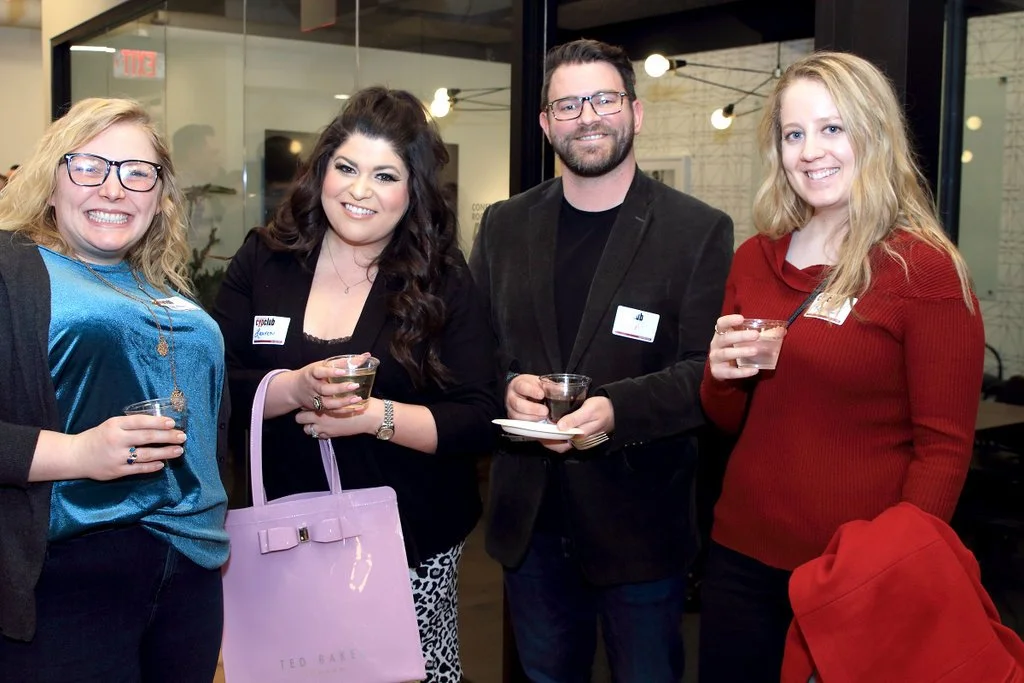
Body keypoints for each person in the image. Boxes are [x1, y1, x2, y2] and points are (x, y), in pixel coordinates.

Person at [698, 51, 985, 682]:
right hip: (739, 557)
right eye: (793, 134)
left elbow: (943, 450)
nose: (810, 152)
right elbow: (727, 419)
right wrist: (720, 374)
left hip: (854, 574)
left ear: (874, 134)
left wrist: (892, 569)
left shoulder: (923, 270)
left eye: (833, 128)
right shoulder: (754, 259)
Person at [212, 86, 500, 683]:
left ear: (413, 192)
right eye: (346, 168)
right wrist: (291, 390)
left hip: (407, 547)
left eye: (385, 175)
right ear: (322, 171)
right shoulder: (265, 259)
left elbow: (478, 417)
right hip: (281, 544)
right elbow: (213, 383)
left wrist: (372, 417)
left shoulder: (440, 278)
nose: (359, 190)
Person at [469, 38, 734, 682]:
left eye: (604, 100)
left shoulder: (697, 230)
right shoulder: (503, 225)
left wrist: (615, 408)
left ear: (635, 112)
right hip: (531, 522)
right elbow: (471, 350)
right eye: (568, 105)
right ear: (545, 124)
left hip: (640, 524)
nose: (587, 117)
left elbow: (705, 371)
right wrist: (507, 387)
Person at [0, 98, 229, 682]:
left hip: (192, 569)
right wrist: (77, 453)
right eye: (88, 167)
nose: (113, 188)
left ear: (159, 195)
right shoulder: (11, 270)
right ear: (51, 182)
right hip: (68, 574)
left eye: (136, 173)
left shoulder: (161, 285)